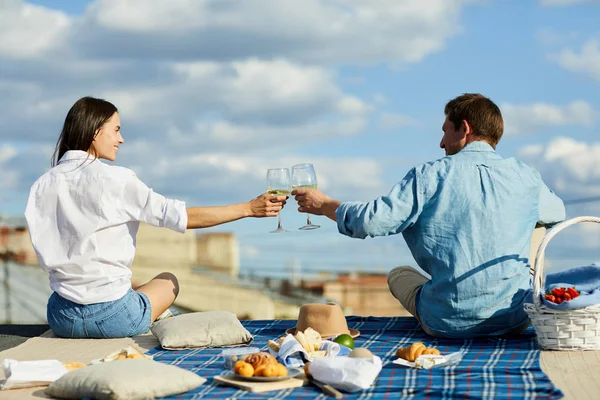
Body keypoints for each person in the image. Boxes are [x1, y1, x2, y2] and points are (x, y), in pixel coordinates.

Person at [293, 93, 566, 338]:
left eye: (445, 131)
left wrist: (325, 204)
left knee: (398, 273)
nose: (441, 143)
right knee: (537, 221)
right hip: (515, 319)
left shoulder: (428, 176)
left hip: (446, 322)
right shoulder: (525, 176)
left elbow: (370, 221)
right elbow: (558, 213)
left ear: (465, 128)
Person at [25, 96, 287, 339]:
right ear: (95, 132)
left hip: (62, 317)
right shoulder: (117, 180)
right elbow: (181, 217)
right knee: (167, 280)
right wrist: (249, 209)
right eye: (116, 130)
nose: (121, 139)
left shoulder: (42, 185)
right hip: (114, 319)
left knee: (128, 291)